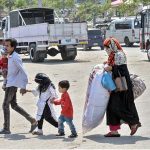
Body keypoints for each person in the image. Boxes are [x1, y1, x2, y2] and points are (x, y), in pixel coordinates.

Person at [103, 37, 141, 137]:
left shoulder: (119, 54)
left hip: (122, 86)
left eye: (107, 47)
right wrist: (108, 65)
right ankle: (114, 130)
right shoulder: (113, 55)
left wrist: (111, 68)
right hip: (116, 85)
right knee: (112, 106)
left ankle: (133, 122)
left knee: (117, 106)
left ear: (112, 46)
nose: (106, 49)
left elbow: (122, 70)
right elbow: (115, 66)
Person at [0, 38, 37, 134]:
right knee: (14, 105)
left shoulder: (16, 57)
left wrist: (23, 86)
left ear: (13, 47)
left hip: (12, 84)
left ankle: (6, 128)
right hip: (10, 83)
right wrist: (5, 82)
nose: (5, 47)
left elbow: (23, 72)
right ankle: (32, 120)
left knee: (5, 105)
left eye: (7, 46)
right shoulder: (9, 56)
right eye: (5, 45)